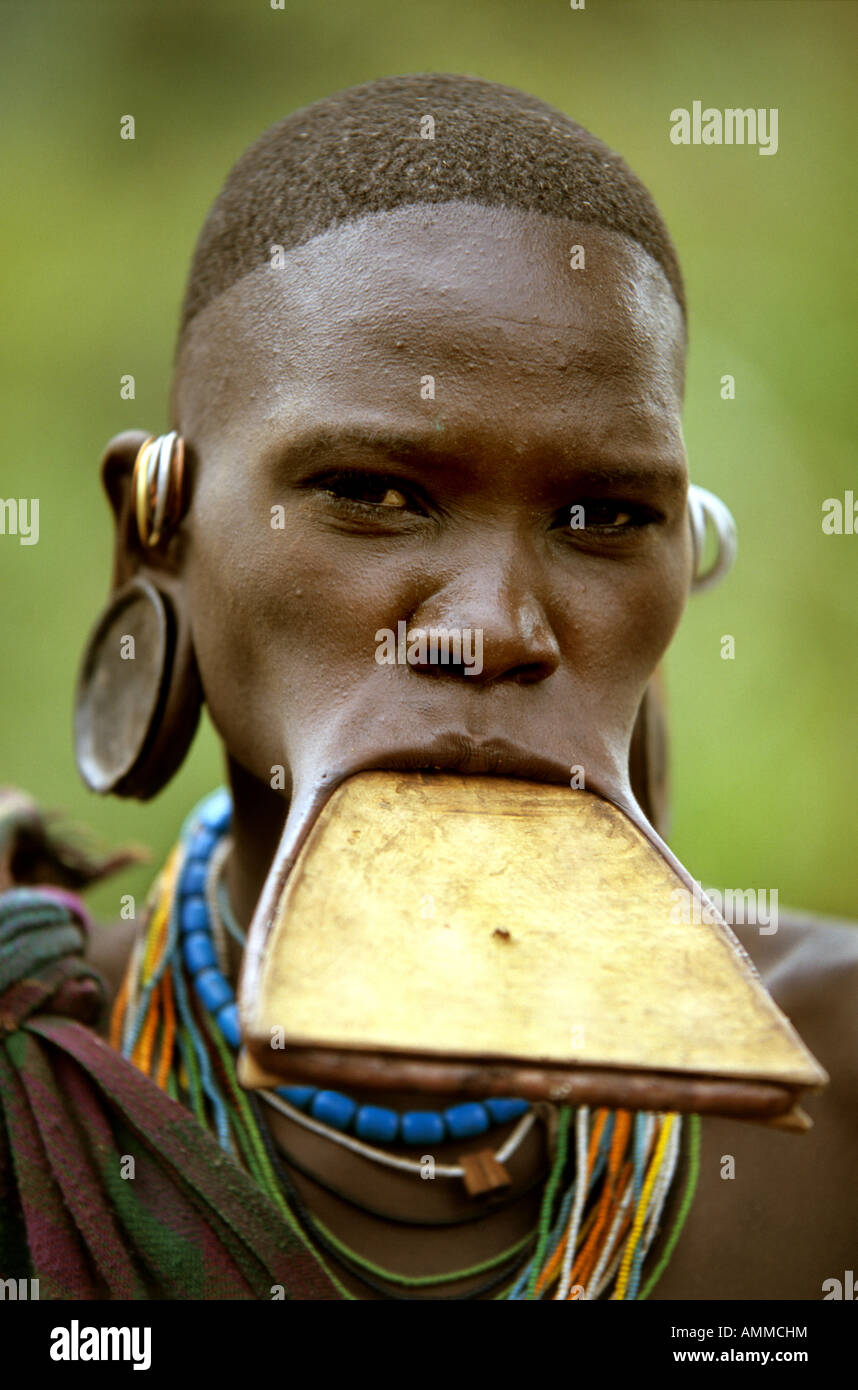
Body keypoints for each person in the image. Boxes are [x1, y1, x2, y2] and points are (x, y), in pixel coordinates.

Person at [1, 73, 855, 1301]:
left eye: (603, 514)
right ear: (158, 534)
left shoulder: (838, 1070)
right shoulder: (33, 1055)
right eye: (373, 492)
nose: (495, 628)